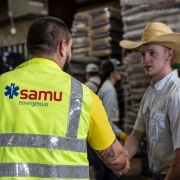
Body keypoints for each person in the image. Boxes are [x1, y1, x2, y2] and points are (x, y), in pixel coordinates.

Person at [0, 16, 130, 180]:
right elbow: (115, 157)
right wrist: (123, 162)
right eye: (71, 47)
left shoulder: (2, 85)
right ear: (63, 47)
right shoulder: (83, 95)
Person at [119, 22, 180, 180]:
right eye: (142, 54)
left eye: (152, 53)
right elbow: (137, 134)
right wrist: (122, 159)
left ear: (169, 55)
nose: (145, 59)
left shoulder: (176, 94)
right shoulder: (150, 93)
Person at [88, 59, 128, 180]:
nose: (121, 72)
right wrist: (122, 135)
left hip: (99, 135)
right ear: (112, 72)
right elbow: (108, 121)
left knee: (102, 173)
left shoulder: (106, 86)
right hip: (105, 136)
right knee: (112, 174)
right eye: (118, 70)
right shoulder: (109, 90)